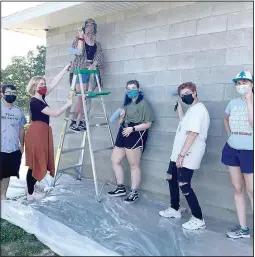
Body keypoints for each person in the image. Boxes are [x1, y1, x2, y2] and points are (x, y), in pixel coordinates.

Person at [159, 82, 210, 230]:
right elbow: (185, 126)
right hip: (178, 153)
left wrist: (181, 155)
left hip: (187, 154)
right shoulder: (192, 110)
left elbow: (193, 133)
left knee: (184, 184)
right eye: (182, 95)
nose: (184, 97)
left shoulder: (198, 110)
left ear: (194, 92)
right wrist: (180, 111)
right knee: (171, 177)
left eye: (187, 93)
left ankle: (198, 218)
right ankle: (174, 209)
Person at [25, 64, 72, 201]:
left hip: (41, 132)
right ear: (34, 87)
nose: (44, 85)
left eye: (44, 83)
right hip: (37, 134)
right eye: (41, 84)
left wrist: (65, 68)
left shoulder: (41, 97)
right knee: (36, 162)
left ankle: (31, 187)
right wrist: (68, 104)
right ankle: (30, 193)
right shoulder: (35, 102)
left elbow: (54, 83)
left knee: (40, 160)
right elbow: (56, 113)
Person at [107, 80, 154, 203]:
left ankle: (134, 192)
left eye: (133, 88)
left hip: (135, 132)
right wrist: (122, 117)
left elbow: (148, 124)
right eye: (128, 89)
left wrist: (132, 129)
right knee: (115, 160)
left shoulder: (144, 104)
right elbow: (119, 123)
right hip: (123, 131)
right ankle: (121, 187)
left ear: (138, 89)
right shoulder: (126, 103)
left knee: (134, 164)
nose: (131, 90)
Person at [221, 71, 253, 239]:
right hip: (232, 148)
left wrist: (249, 101)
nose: (241, 86)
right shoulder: (232, 103)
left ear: (252, 84)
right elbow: (225, 118)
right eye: (238, 83)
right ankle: (243, 229)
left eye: (244, 82)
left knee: (252, 190)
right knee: (237, 188)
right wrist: (230, 134)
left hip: (250, 151)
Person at [69, 18, 104, 132]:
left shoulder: (97, 43)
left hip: (92, 72)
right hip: (81, 71)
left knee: (87, 98)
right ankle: (73, 121)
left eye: (92, 26)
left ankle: (82, 121)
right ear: (84, 28)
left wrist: (94, 64)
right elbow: (78, 52)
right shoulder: (78, 40)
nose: (90, 28)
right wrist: (80, 37)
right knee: (81, 98)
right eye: (88, 25)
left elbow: (99, 56)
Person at [1, 84, 26, 200]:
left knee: (6, 173)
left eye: (13, 93)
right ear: (2, 94)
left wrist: (22, 145)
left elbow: (21, 129)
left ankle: (2, 195)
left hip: (12, 148)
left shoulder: (19, 112)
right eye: (8, 93)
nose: (11, 96)